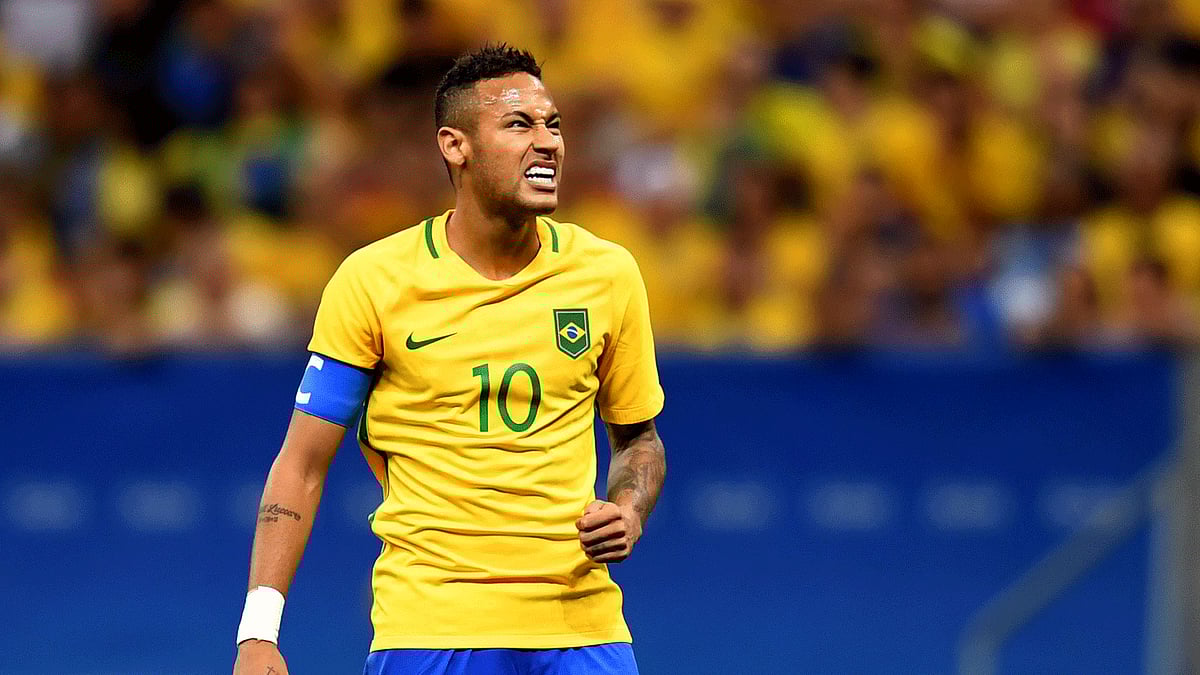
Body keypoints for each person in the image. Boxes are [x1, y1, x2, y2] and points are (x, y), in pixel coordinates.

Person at [232, 44, 667, 675]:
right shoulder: (375, 282)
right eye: (519, 125)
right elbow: (300, 465)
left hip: (583, 627)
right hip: (429, 630)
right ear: (455, 146)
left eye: (553, 125)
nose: (547, 142)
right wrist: (258, 633)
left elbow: (640, 442)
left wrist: (628, 509)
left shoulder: (608, 275)